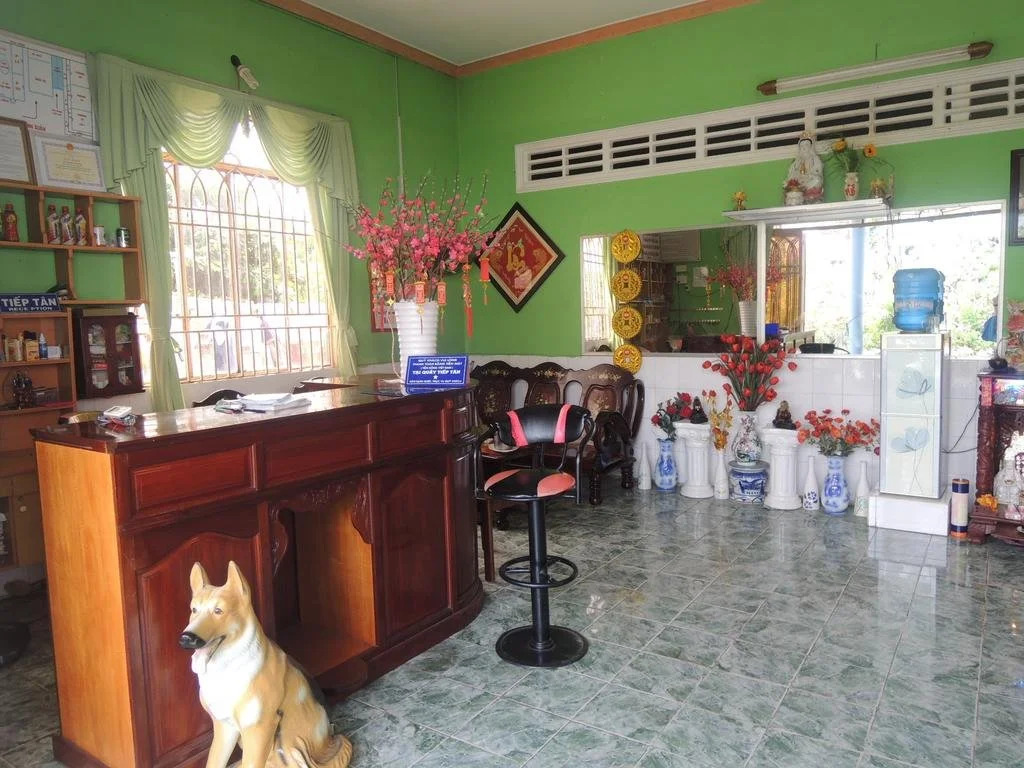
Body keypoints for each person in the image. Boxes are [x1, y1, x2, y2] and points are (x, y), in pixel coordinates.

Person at [785, 133, 824, 202]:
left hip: (809, 179)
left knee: (817, 180)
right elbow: (791, 172)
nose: (804, 148)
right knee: (789, 183)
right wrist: (796, 176)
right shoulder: (797, 160)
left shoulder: (815, 158)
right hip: (799, 181)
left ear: (810, 147)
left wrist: (809, 175)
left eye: (806, 145)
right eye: (802, 146)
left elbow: (818, 170)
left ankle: (805, 193)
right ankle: (797, 193)